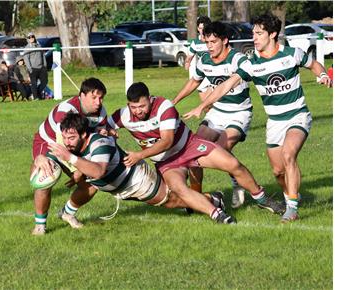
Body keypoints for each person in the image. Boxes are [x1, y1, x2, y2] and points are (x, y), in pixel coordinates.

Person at [184, 14, 332, 222]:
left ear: (272, 34)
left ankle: (292, 209)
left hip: (297, 115)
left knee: (289, 155)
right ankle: (290, 195)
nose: (254, 37)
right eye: (253, 33)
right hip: (274, 122)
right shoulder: (251, 63)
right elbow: (227, 85)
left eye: (259, 33)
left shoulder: (292, 54)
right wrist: (202, 105)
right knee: (278, 171)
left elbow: (314, 64)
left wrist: (322, 74)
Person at [108, 82, 285, 222]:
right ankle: (217, 213)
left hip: (189, 147)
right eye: (134, 107)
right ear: (128, 105)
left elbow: (167, 141)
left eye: (142, 106)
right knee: (179, 189)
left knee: (232, 164)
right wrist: (107, 130)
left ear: (150, 99)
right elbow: (103, 125)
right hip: (167, 163)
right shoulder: (123, 115)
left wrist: (139, 155)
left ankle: (262, 199)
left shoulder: (164, 106)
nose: (138, 111)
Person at [48, 112, 234, 224]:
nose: (67, 142)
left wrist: (70, 158)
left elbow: (98, 171)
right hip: (120, 187)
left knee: (172, 201)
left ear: (83, 134)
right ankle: (67, 212)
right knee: (88, 185)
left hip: (137, 180)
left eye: (71, 138)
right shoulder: (74, 145)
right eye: (65, 138)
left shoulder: (99, 143)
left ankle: (213, 203)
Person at [173, 21, 253, 209]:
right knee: (193, 153)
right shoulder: (205, 61)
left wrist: (202, 105)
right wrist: (174, 101)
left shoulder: (238, 59)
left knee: (219, 152)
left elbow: (227, 85)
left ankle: (237, 183)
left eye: (213, 42)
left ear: (225, 40)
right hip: (218, 112)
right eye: (207, 42)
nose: (209, 46)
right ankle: (196, 197)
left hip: (239, 113)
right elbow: (194, 81)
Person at [31, 77, 113, 235]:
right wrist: (39, 157)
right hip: (49, 144)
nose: (98, 102)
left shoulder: (100, 112)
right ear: (82, 95)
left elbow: (96, 136)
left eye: (101, 97)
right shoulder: (66, 110)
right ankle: (40, 225)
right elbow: (64, 143)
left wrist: (107, 132)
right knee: (45, 177)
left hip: (73, 149)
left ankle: (67, 213)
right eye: (94, 97)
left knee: (92, 184)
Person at [184, 16, 212, 102]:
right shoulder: (195, 43)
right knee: (205, 105)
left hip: (215, 74)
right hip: (203, 74)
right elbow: (189, 57)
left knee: (212, 103)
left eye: (204, 28)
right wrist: (187, 63)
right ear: (197, 28)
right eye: (200, 28)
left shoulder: (214, 40)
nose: (202, 31)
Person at [24, 32, 48, 100]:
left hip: (41, 68)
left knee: (44, 82)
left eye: (32, 37)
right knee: (34, 84)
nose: (31, 38)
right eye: (29, 37)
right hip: (33, 69)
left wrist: (44, 66)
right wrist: (30, 69)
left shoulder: (38, 46)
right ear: (28, 39)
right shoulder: (27, 48)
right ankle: (35, 97)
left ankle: (37, 93)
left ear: (34, 37)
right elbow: (26, 59)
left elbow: (43, 56)